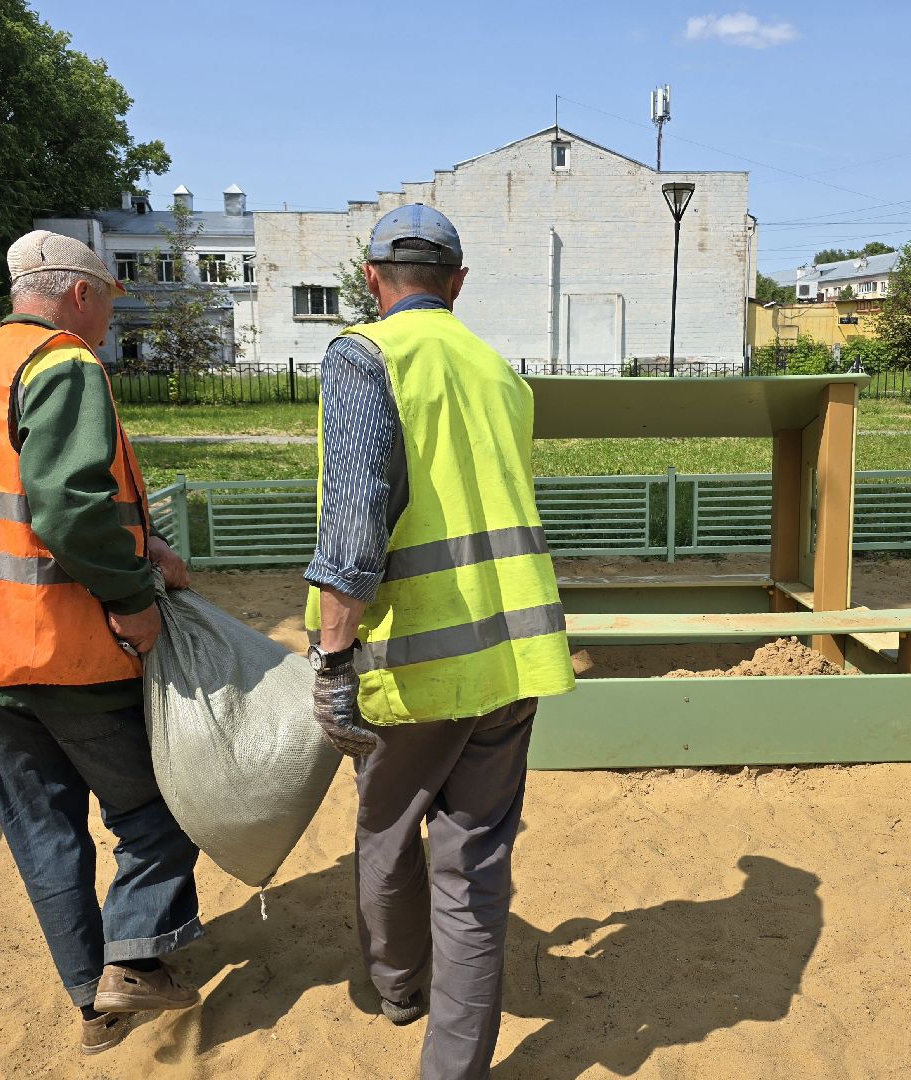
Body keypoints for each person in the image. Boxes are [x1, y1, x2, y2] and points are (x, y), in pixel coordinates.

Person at [303, 204, 576, 1079]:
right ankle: (452, 1065)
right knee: (475, 870)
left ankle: (398, 986)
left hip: (408, 669)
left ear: (372, 278)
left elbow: (352, 533)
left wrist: (333, 662)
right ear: (457, 284)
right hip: (512, 657)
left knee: (387, 833)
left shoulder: (362, 356)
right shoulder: (500, 372)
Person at [0, 231, 202, 1056]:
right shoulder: (65, 364)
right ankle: (135, 959)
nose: (107, 322)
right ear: (81, 293)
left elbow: (15, 506)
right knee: (156, 812)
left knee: (45, 831)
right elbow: (70, 508)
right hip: (68, 648)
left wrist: (146, 545)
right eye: (110, 302)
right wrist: (131, 597)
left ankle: (92, 1005)